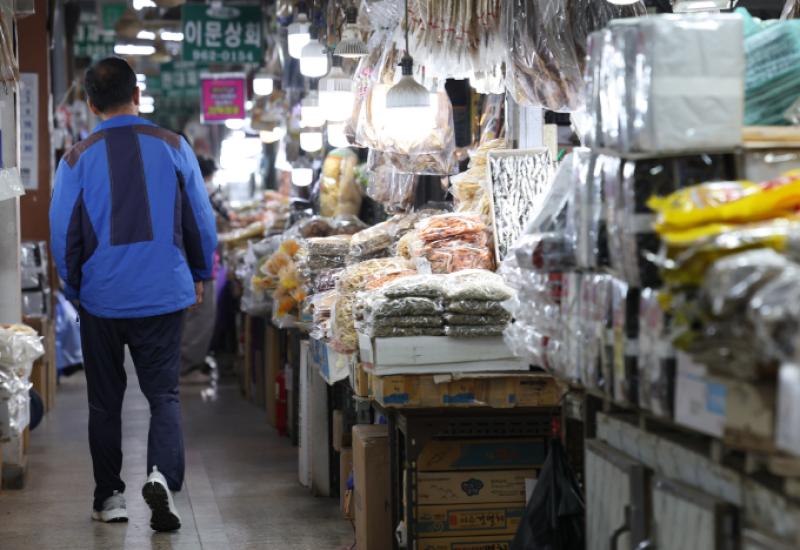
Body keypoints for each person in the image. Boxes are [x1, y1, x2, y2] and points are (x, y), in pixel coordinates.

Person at [49, 57, 217, 531]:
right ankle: (162, 476)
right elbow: (202, 221)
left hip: (101, 298)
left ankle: (110, 498)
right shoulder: (174, 146)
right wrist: (199, 272)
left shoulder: (76, 158)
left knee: (105, 401)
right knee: (163, 395)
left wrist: (75, 286)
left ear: (89, 103)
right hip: (163, 293)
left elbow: (63, 234)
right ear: (136, 96)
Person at [178, 156, 231, 384]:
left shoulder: (174, 188)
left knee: (187, 320)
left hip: (182, 266)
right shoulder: (197, 192)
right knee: (200, 320)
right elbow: (204, 232)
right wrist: (200, 272)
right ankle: (187, 370)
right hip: (199, 268)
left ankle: (181, 367)